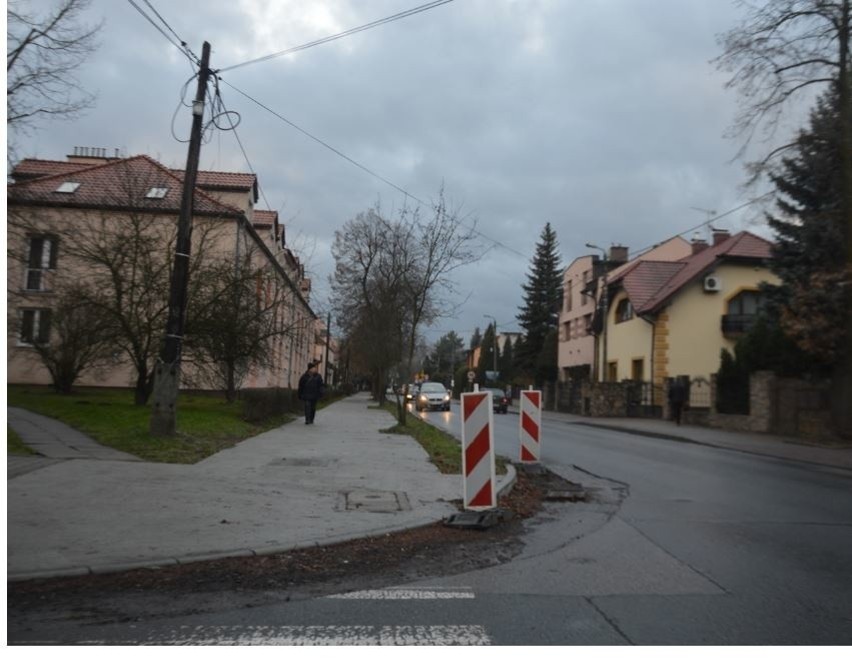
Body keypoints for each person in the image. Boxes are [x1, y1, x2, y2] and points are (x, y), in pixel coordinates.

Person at [298, 360, 325, 425]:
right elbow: (301, 385)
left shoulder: (318, 376)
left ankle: (311, 419)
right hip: (306, 394)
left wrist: (321, 392)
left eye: (315, 368)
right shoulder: (304, 376)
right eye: (314, 368)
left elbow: (321, 385)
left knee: (313, 408)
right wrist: (299, 394)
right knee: (307, 406)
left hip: (314, 395)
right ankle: (307, 419)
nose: (315, 369)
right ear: (310, 369)